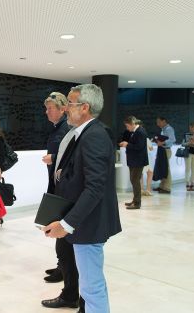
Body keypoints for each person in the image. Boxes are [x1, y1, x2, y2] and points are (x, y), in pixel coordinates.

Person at [44, 84, 122, 313]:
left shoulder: (94, 135)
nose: (66, 108)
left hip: (88, 224)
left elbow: (95, 188)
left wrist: (67, 224)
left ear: (85, 107)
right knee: (92, 283)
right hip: (85, 222)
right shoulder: (85, 133)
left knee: (91, 286)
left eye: (70, 103)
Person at [41, 93, 71, 285]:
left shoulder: (66, 129)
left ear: (62, 109)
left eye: (50, 108)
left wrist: (54, 159)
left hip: (62, 187)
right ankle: (62, 265)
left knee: (61, 230)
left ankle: (64, 269)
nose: (47, 112)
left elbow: (70, 158)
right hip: (55, 183)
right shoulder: (57, 128)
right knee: (56, 227)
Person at [119, 115, 148, 210]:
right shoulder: (136, 132)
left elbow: (139, 146)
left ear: (132, 124)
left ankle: (137, 203)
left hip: (138, 161)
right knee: (134, 180)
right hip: (134, 161)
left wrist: (127, 144)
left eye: (127, 126)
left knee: (135, 181)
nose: (127, 128)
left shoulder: (140, 132)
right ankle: (135, 200)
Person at [154, 116, 176, 194]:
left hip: (166, 150)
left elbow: (173, 139)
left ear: (164, 121)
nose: (158, 124)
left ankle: (167, 188)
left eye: (159, 122)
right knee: (162, 168)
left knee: (166, 169)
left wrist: (162, 143)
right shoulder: (163, 130)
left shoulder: (169, 129)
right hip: (162, 150)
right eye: (157, 122)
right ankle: (162, 186)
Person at [137, 120, 154, 196]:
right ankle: (148, 189)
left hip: (139, 158)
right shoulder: (145, 138)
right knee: (149, 173)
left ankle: (140, 189)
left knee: (140, 174)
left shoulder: (134, 137)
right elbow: (151, 148)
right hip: (147, 158)